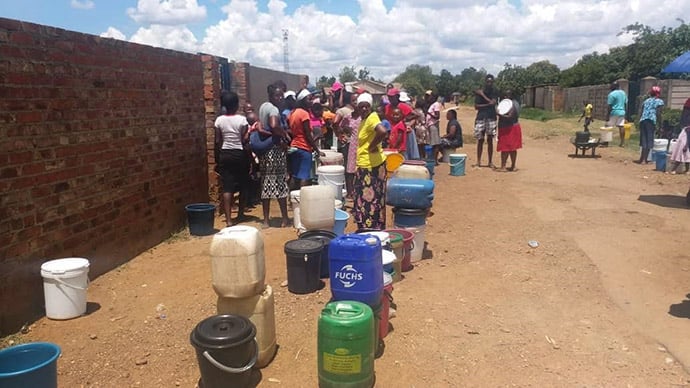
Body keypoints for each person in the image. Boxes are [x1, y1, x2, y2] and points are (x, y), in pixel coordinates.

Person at [214, 90, 250, 227]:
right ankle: (240, 214)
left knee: (227, 187)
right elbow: (244, 141)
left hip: (225, 154)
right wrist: (249, 159)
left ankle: (229, 220)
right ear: (236, 105)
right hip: (239, 154)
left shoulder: (219, 120)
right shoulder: (242, 120)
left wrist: (218, 158)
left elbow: (218, 141)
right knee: (243, 185)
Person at [354, 93, 388, 230]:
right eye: (361, 106)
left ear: (370, 107)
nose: (364, 109)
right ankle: (373, 228)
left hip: (370, 167)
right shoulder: (363, 120)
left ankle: (370, 230)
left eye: (366, 106)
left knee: (369, 202)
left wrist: (372, 146)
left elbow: (382, 131)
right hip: (368, 164)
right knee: (372, 200)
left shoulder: (372, 117)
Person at [258, 83, 290, 228]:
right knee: (280, 183)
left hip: (265, 151)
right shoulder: (273, 109)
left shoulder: (263, 106)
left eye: (281, 95)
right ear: (271, 96)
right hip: (275, 150)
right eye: (277, 95)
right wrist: (284, 135)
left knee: (266, 183)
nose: (280, 98)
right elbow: (273, 125)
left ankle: (265, 220)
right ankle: (284, 219)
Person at [289, 89, 323, 189]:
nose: (311, 101)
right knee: (304, 176)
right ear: (302, 100)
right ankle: (302, 200)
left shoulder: (293, 113)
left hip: (294, 146)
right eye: (308, 99)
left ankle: (292, 199)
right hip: (303, 148)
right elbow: (307, 135)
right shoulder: (304, 114)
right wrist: (317, 150)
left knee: (295, 175)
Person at [474, 74, 498, 168]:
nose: (489, 83)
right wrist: (489, 104)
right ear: (485, 82)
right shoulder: (479, 92)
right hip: (481, 117)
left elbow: (493, 103)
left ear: (493, 82)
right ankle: (478, 161)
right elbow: (476, 106)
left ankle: (490, 162)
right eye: (488, 81)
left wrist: (483, 95)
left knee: (490, 139)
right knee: (480, 139)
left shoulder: (494, 92)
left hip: (491, 117)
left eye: (491, 82)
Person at [636, 86, 664, 164]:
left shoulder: (646, 101)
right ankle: (645, 159)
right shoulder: (659, 101)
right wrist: (660, 124)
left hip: (643, 120)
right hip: (651, 121)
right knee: (649, 139)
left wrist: (639, 120)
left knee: (644, 139)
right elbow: (659, 113)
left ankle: (641, 159)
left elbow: (641, 112)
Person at [496, 90, 523, 172]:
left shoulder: (510, 104)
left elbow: (510, 116)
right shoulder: (516, 103)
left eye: (506, 95)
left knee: (505, 148)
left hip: (507, 128)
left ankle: (503, 167)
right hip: (514, 127)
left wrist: (499, 114)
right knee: (513, 148)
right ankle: (513, 166)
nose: (505, 97)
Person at [607, 81, 628, 147]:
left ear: (614, 86)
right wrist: (625, 112)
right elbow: (625, 103)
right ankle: (622, 142)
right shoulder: (623, 93)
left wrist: (607, 115)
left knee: (608, 126)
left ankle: (606, 141)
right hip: (622, 112)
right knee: (621, 126)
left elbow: (609, 106)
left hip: (614, 112)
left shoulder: (611, 94)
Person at [427, 94, 443, 164]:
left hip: (433, 125)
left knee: (436, 143)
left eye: (430, 96)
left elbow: (437, 116)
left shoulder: (436, 104)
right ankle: (434, 159)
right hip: (431, 125)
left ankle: (435, 160)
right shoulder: (433, 104)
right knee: (434, 143)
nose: (429, 98)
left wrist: (429, 114)